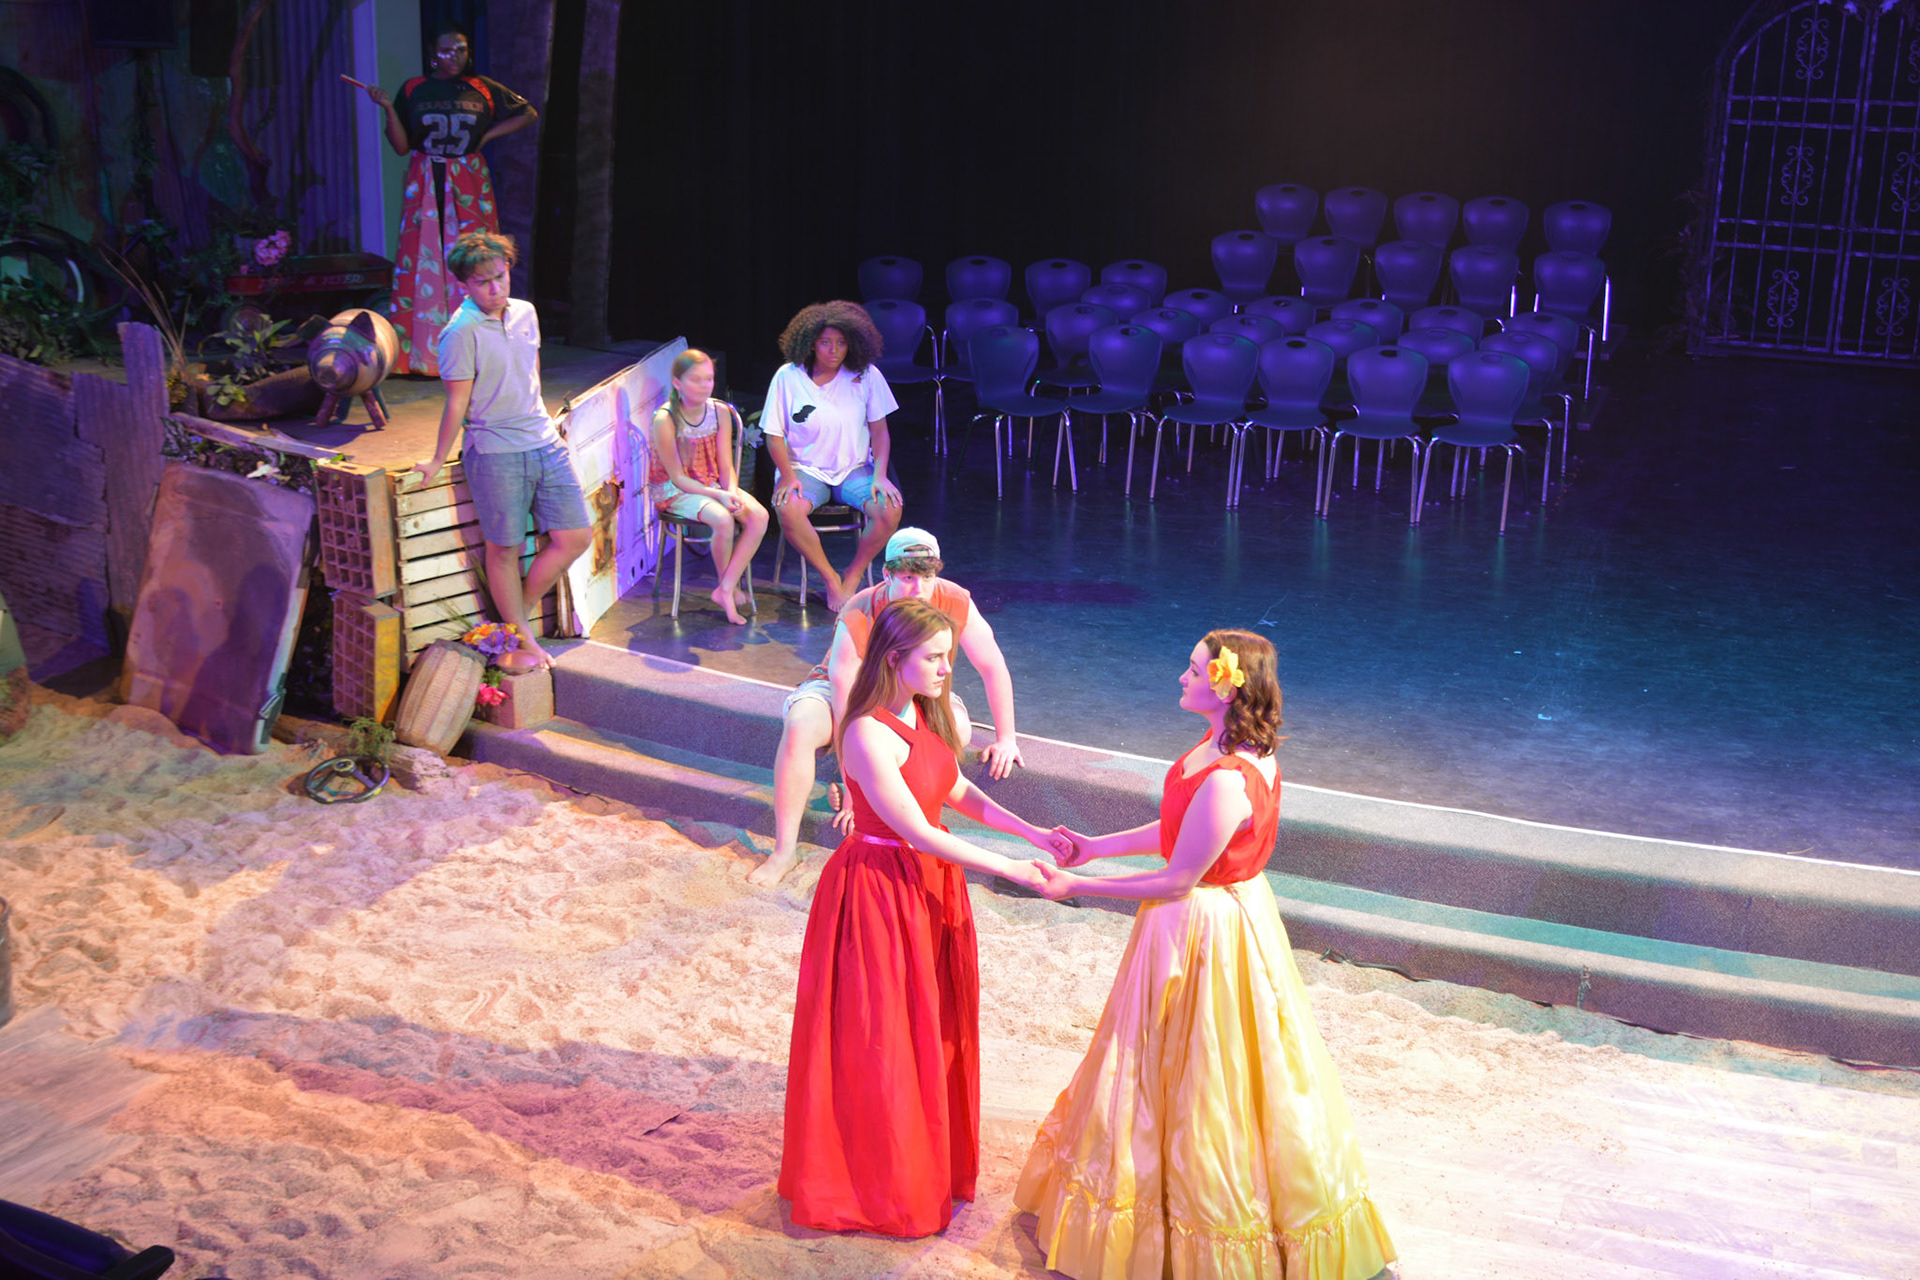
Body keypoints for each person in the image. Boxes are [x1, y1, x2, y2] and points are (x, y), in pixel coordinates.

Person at [1017, 631, 1398, 1280]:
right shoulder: (1220, 750)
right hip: (1218, 909)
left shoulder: (1229, 780)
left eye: (1194, 670)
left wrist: (1077, 887)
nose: (1181, 678)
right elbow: (1179, 829)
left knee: (1203, 1073)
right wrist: (1095, 846)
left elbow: (1177, 877)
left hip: (1206, 927)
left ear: (1224, 686)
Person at [778, 598, 1061, 1237]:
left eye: (946, 657)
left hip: (930, 885)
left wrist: (1032, 832)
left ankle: (926, 1162)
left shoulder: (924, 713)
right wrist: (1011, 868)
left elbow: (955, 790)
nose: (944, 669)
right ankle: (878, 1181)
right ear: (894, 658)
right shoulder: (865, 732)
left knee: (930, 1024)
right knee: (882, 1034)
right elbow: (916, 830)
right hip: (880, 890)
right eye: (932, 658)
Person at [747, 527, 1025, 888]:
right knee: (802, 724)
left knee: (957, 728)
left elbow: (992, 665)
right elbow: (846, 698)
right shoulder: (862, 608)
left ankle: (906, 813)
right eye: (907, 578)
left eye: (926, 577)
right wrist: (853, 786)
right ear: (887, 575)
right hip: (853, 692)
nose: (918, 589)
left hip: (915, 692)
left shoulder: (954, 599)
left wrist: (1007, 737)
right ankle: (784, 850)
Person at [413, 231, 590, 670]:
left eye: (500, 276)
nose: (495, 288)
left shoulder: (526, 312)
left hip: (542, 440)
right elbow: (457, 402)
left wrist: (542, 415)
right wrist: (436, 459)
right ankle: (522, 636)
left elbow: (530, 369)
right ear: (464, 285)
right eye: (482, 282)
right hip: (495, 450)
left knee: (575, 537)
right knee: (505, 549)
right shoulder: (460, 332)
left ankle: (513, 623)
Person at [364, 23, 537, 375]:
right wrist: (388, 108)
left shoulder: (481, 87)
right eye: (446, 50)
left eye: (461, 49)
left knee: (477, 256)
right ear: (433, 54)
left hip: (468, 177)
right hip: (426, 177)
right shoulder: (414, 88)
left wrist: (487, 135)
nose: (454, 56)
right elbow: (401, 146)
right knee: (423, 258)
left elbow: (527, 113)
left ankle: (483, 351)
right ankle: (422, 354)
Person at [761, 300, 903, 610]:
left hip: (853, 469)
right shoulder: (788, 377)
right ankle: (829, 578)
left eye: (841, 343)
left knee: (890, 508)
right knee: (788, 509)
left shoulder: (866, 375)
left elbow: (880, 431)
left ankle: (853, 574)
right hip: (804, 469)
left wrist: (880, 475)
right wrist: (787, 476)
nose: (834, 350)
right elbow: (773, 435)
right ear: (811, 343)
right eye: (826, 342)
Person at [647, 349, 769, 625]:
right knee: (723, 519)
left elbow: (726, 465)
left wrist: (732, 492)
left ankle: (726, 587)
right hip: (676, 490)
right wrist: (719, 496)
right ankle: (727, 589)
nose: (704, 386)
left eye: (709, 379)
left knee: (759, 516)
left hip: (712, 482)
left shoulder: (719, 412)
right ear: (677, 383)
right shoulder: (666, 419)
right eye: (696, 380)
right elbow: (678, 477)